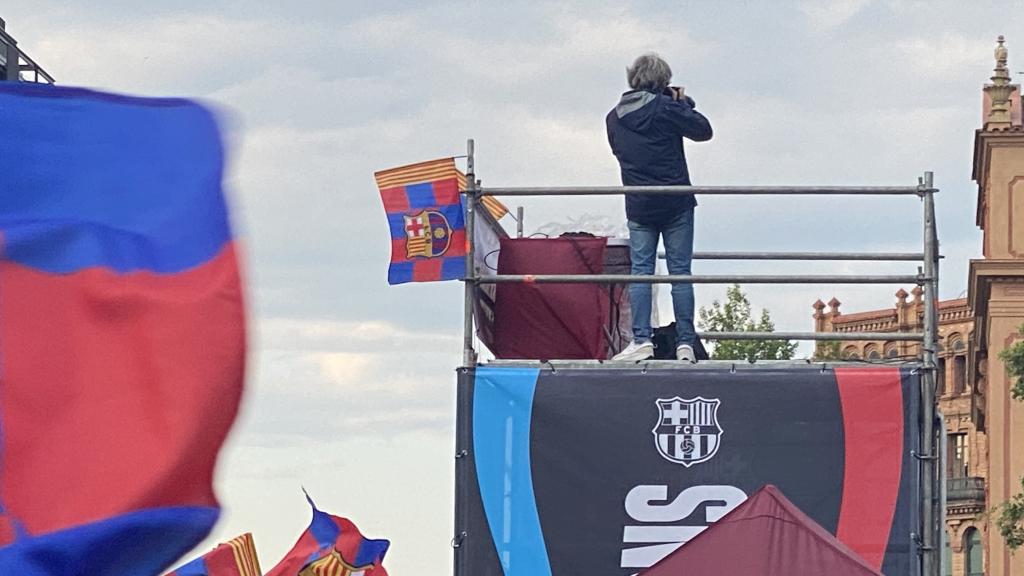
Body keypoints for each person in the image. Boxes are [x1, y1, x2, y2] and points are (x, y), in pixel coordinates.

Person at [606, 53, 713, 362]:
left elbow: (618, 151)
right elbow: (704, 131)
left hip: (639, 204)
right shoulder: (667, 108)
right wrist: (682, 103)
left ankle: (641, 340)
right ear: (662, 83)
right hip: (676, 202)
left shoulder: (613, 117)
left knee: (641, 273)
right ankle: (684, 343)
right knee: (680, 274)